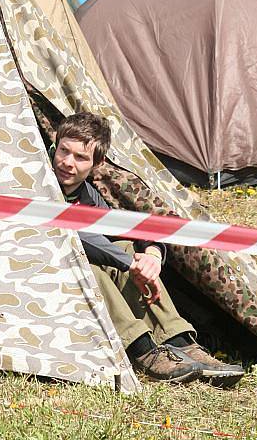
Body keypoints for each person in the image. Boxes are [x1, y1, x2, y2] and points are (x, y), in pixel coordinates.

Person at [51, 112, 244, 387]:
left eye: (80, 158)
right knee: (88, 263)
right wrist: (130, 264)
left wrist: (151, 254)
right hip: (43, 270)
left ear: (97, 164)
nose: (67, 163)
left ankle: (178, 341)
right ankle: (140, 349)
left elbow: (126, 229)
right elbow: (74, 235)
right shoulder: (40, 179)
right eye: (64, 151)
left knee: (127, 246)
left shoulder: (86, 194)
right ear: (55, 146)